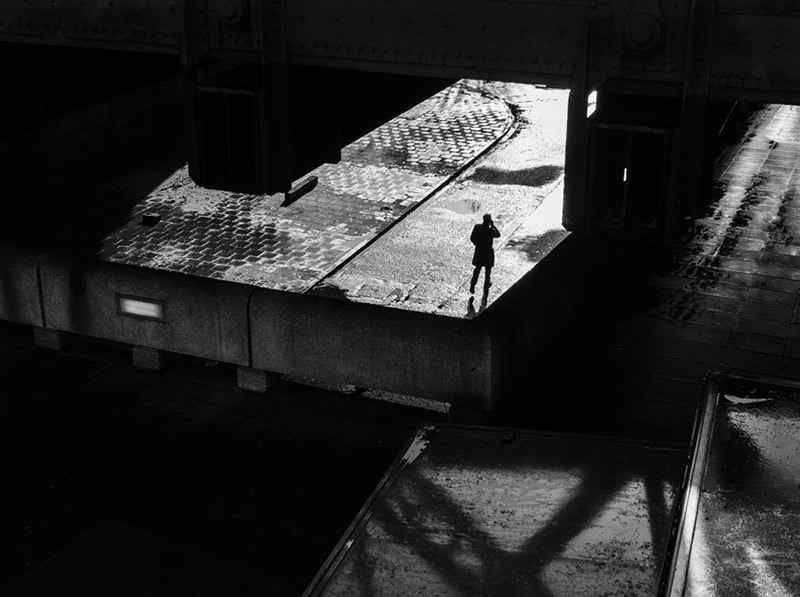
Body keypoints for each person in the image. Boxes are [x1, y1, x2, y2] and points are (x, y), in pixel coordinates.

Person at [469, 214, 500, 295]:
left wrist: (477, 243)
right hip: (488, 252)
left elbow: (472, 238)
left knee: (477, 269)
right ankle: (486, 286)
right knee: (488, 271)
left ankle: (472, 285)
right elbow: (498, 235)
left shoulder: (477, 227)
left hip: (479, 251)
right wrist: (493, 225)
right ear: (489, 220)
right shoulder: (490, 230)